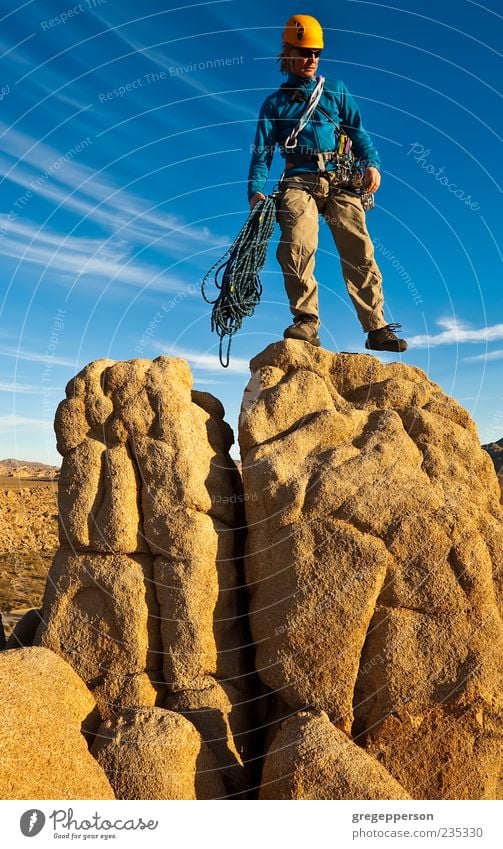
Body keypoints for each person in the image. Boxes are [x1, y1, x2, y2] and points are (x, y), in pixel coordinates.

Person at [248, 14, 408, 352]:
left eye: (316, 53)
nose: (311, 59)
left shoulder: (334, 90)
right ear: (287, 53)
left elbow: (357, 132)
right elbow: (262, 152)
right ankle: (306, 322)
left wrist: (373, 164)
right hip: (298, 180)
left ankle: (377, 329)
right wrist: (256, 190)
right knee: (296, 245)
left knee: (359, 249)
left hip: (339, 178)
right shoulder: (274, 104)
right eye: (304, 52)